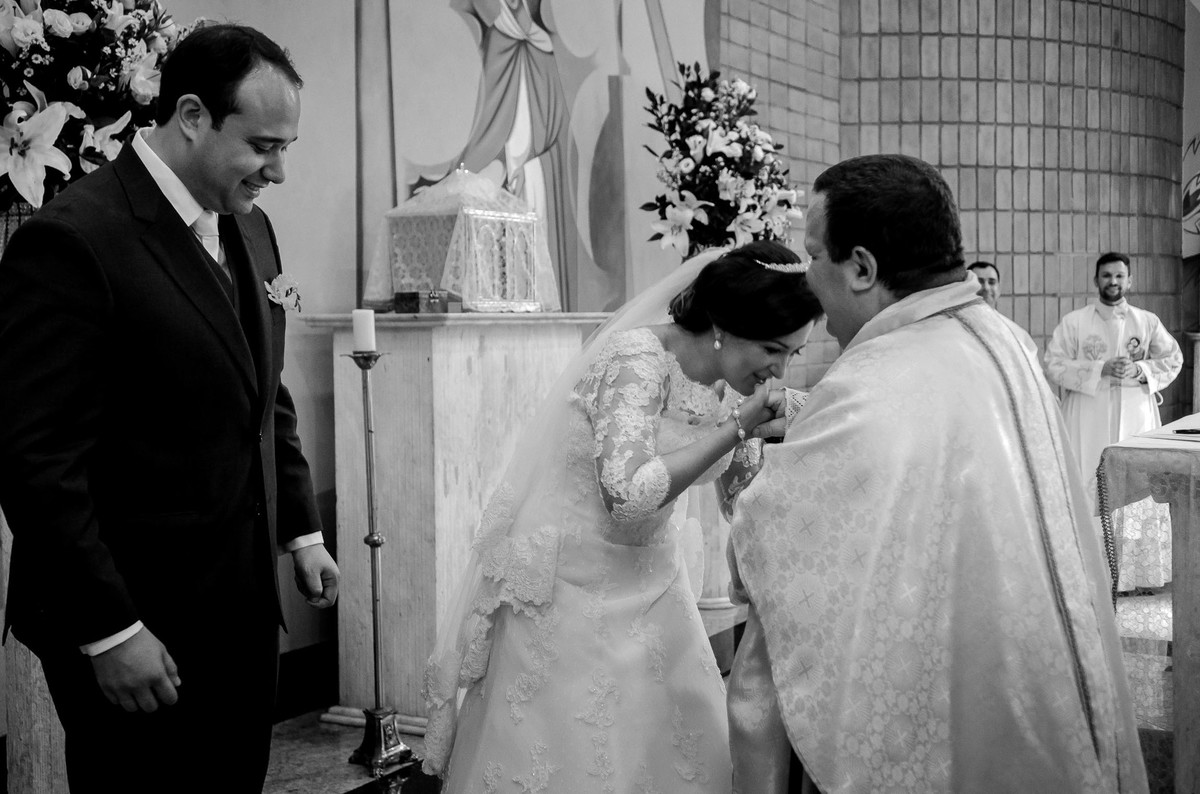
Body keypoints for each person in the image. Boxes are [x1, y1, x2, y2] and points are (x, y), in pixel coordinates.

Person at [725, 155, 1147, 793]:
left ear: (862, 267)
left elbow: (772, 546)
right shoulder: (1004, 338)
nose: (807, 277)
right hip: (1035, 679)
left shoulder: (875, 378)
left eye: (814, 255)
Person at [0, 24, 339, 793]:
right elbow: (37, 461)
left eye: (285, 146)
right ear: (191, 115)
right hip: (135, 624)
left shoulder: (251, 225)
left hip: (242, 618)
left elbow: (263, 390)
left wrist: (300, 530)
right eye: (261, 146)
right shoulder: (74, 239)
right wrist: (109, 631)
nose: (279, 171)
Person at [422, 240, 823, 793]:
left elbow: (740, 497)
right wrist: (735, 428)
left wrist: (804, 438)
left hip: (656, 586)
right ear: (724, 326)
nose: (779, 369)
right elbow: (627, 495)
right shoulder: (637, 358)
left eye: (793, 355)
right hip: (572, 588)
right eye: (773, 349)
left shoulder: (738, 384)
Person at [1045, 251, 1183, 502]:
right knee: (1086, 471)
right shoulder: (1074, 322)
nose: (1113, 281)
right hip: (1086, 412)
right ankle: (1089, 538)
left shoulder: (1146, 320)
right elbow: (1053, 363)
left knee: (1136, 481)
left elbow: (1173, 358)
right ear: (1096, 281)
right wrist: (1099, 369)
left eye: (1119, 275)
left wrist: (1141, 370)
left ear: (1129, 280)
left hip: (1136, 411)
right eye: (1106, 275)